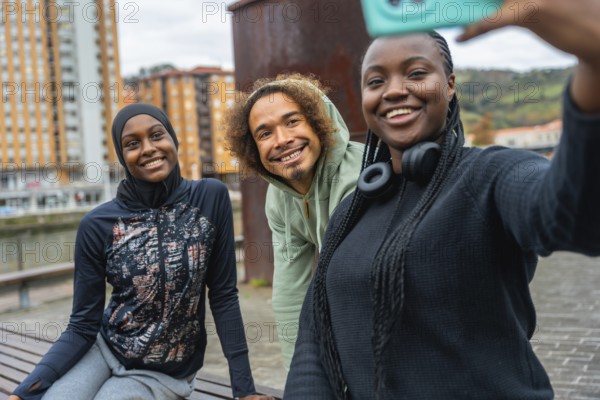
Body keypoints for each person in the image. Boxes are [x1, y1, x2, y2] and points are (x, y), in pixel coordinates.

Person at [284, 1, 600, 398]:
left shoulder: (489, 176)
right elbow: (315, 339)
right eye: (375, 81)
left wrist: (593, 64)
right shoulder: (351, 211)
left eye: (416, 73)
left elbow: (573, 216)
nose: (395, 90)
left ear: (450, 85)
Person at [9, 104, 273, 400]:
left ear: (173, 140)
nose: (148, 148)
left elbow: (223, 295)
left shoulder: (210, 197)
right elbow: (82, 325)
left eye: (157, 135)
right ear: (123, 156)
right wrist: (23, 393)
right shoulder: (97, 224)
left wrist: (245, 391)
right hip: (103, 349)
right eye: (132, 144)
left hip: (163, 372)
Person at [225, 74, 364, 368]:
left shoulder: (360, 177)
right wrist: (298, 380)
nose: (283, 140)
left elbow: (353, 288)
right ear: (252, 149)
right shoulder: (279, 199)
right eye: (264, 134)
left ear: (318, 122)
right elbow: (290, 296)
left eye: (292, 121)